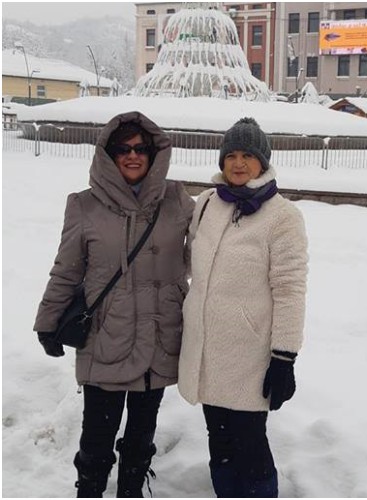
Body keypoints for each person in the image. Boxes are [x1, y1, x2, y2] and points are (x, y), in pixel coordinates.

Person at [33, 111, 195, 497]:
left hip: (159, 337)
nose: (133, 155)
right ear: (108, 155)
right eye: (122, 149)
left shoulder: (177, 200)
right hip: (107, 338)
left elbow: (214, 245)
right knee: (97, 439)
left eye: (141, 148)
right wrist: (48, 320)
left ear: (154, 153)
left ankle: (131, 491)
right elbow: (67, 270)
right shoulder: (84, 206)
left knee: (142, 436)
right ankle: (89, 490)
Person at [179, 117, 309, 498]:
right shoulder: (206, 203)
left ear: (263, 162)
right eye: (231, 155)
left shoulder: (283, 216)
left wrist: (284, 357)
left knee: (250, 444)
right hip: (205, 349)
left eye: (248, 156)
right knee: (218, 442)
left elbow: (290, 289)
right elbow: (188, 263)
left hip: (249, 354)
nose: (238, 163)